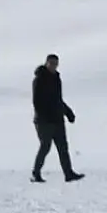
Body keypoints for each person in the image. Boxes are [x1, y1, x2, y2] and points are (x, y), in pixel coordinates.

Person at [31, 53, 83, 183]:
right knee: (45, 146)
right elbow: (37, 102)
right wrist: (45, 116)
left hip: (57, 120)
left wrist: (67, 112)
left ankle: (68, 173)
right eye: (51, 63)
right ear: (46, 63)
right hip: (44, 121)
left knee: (63, 148)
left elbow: (58, 100)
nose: (54, 66)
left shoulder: (56, 79)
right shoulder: (39, 79)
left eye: (56, 64)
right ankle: (35, 173)